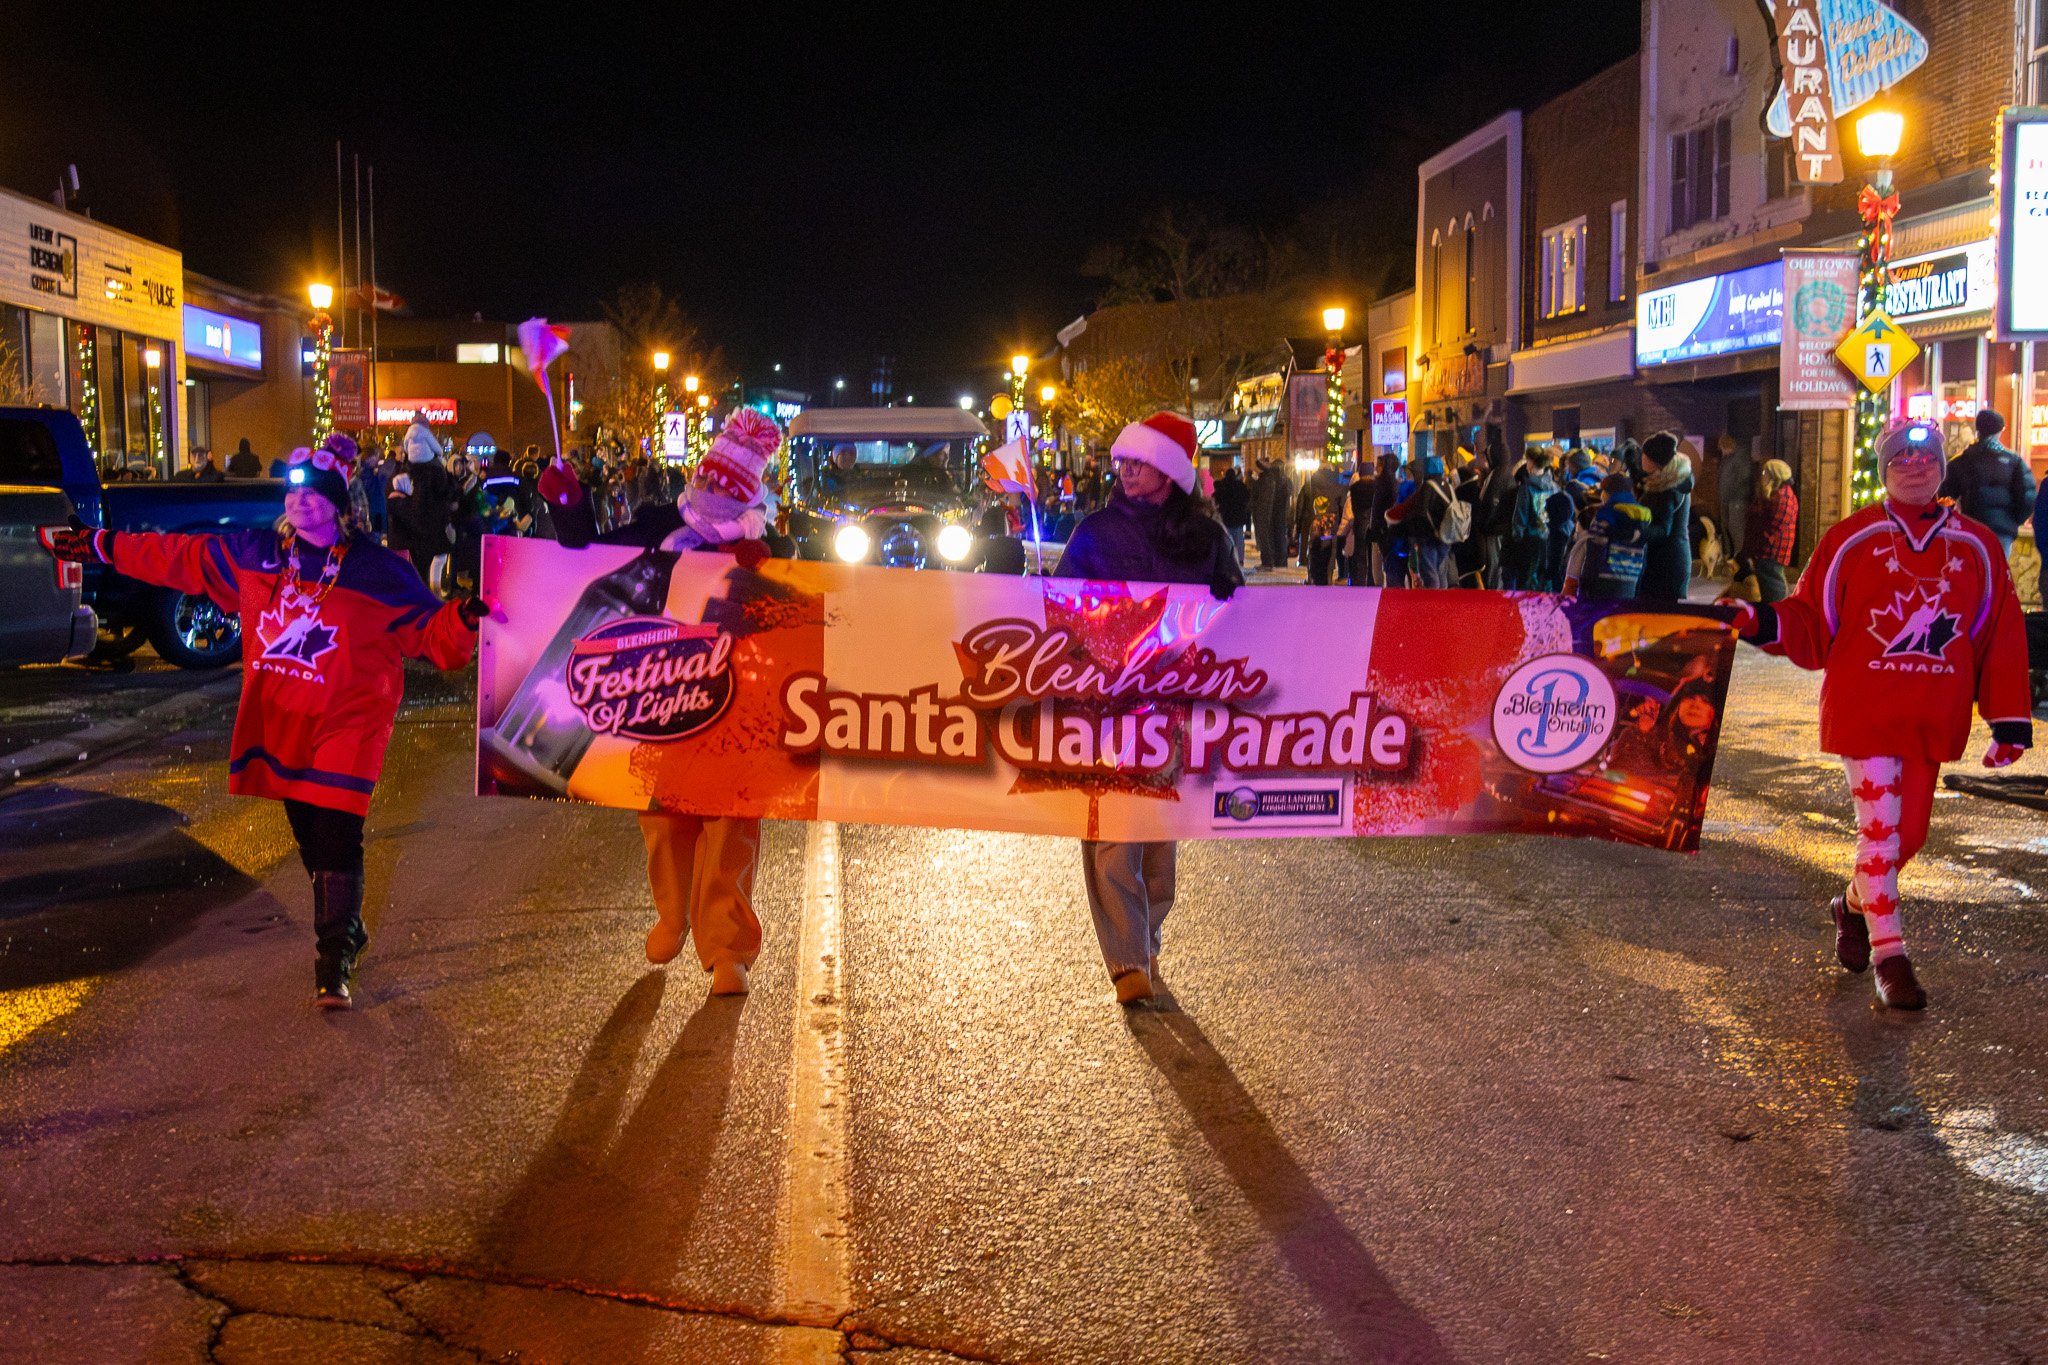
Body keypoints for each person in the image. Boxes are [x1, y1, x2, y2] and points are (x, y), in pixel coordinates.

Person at [41, 440, 488, 1009]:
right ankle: (344, 921)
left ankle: (333, 957)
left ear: (340, 504)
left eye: (314, 494)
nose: (300, 502)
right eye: (293, 493)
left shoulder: (377, 570)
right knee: (309, 834)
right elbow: (175, 555)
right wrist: (98, 543)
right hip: (283, 719)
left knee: (335, 831)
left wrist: (466, 617)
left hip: (350, 722)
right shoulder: (256, 556)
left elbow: (433, 638)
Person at [1727, 422, 2031, 1009]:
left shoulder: (1976, 546)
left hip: (1930, 714)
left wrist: (2009, 719)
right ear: (1884, 469)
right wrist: (1758, 620)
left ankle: (1851, 905)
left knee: (1908, 836)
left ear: (1943, 467)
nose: (1915, 465)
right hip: (1864, 711)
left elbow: (1999, 633)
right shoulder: (1851, 538)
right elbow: (1811, 619)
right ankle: (1890, 956)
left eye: (1926, 456)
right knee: (1880, 835)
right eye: (1902, 456)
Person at [556, 409, 786, 997]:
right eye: (706, 481)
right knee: (661, 816)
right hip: (657, 691)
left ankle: (727, 948)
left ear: (746, 499)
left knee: (731, 823)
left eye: (724, 489)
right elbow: (586, 552)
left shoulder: (770, 543)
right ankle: (672, 913)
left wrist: (768, 577)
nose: (709, 493)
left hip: (735, 707)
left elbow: (804, 609)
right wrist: (568, 503)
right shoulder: (659, 522)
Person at [1055, 411, 1240, 1004]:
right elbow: (1059, 608)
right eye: (1123, 463)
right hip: (1107, 708)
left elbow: (1240, 614)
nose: (1125, 471)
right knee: (1112, 831)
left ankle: (1148, 938)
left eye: (1138, 462)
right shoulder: (1095, 532)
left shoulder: (1208, 539)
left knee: (1161, 836)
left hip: (1178, 708)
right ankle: (1127, 960)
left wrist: (1219, 615)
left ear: (1168, 471)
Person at [1938, 409, 2036, 554]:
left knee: (1975, 572)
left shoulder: (1963, 461)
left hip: (1972, 529)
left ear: (1978, 430)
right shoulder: (2013, 461)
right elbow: (2028, 496)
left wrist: (1952, 520)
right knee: (1998, 572)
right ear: (2000, 430)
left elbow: (1944, 494)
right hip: (2002, 532)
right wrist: (2013, 521)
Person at [386, 421, 458, 584]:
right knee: (432, 571)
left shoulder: (403, 473)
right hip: (433, 532)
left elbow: (392, 502)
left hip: (411, 535)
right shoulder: (437, 473)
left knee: (417, 575)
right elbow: (448, 498)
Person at [1561, 473, 1650, 600]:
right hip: (1629, 583)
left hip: (1601, 583)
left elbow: (1595, 553)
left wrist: (1586, 586)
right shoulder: (1642, 520)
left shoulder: (1605, 517)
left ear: (1608, 493)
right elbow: (1643, 559)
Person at [1384, 452, 1463, 587]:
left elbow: (1421, 511)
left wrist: (1415, 529)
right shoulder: (1447, 485)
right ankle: (1441, 601)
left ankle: (1433, 604)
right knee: (1441, 571)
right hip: (1445, 535)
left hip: (1428, 537)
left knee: (1430, 572)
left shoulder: (1428, 486)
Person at [1637, 432, 1695, 600]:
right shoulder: (1670, 482)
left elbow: (1663, 529)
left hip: (1666, 565)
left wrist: (1635, 531)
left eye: (1645, 455)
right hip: (1671, 560)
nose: (1642, 458)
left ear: (1655, 461)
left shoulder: (1667, 489)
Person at [1742, 458, 1798, 604]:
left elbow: (1774, 526)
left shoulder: (1781, 496)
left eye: (1766, 472)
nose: (1763, 475)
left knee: (1773, 585)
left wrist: (1761, 544)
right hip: (1768, 550)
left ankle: (1776, 613)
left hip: (1771, 551)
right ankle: (1773, 611)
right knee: (1769, 583)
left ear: (1775, 475)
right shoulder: (1775, 493)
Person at [1501, 446, 1557, 590]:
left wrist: (1517, 536)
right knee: (1544, 582)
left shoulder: (1526, 487)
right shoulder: (1554, 487)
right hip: (1549, 540)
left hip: (1529, 542)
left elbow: (1520, 516)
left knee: (1526, 584)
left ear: (1530, 463)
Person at [1294, 458, 1345, 585]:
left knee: (1314, 548)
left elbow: (1300, 506)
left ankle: (1312, 575)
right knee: (1330, 547)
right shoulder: (1337, 486)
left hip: (1313, 522)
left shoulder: (1309, 485)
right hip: (1331, 522)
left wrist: (1298, 524)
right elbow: (1342, 505)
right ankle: (1328, 575)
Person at [1251, 454, 1293, 570]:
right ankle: (1280, 561)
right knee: (1278, 537)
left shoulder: (1271, 479)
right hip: (1278, 513)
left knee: (1273, 537)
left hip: (1274, 512)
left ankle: (1275, 560)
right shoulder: (1284, 480)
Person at [1716, 435, 1753, 562]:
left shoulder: (1741, 457)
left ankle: (1740, 557)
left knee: (1736, 528)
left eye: (1722, 448)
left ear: (1727, 445)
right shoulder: (1727, 458)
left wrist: (1731, 493)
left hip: (1737, 499)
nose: (1721, 451)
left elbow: (1743, 478)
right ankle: (1729, 554)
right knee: (1726, 526)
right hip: (1726, 498)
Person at [1211, 457, 1252, 564]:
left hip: (1225, 517)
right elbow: (1247, 499)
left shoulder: (1222, 487)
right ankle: (1240, 559)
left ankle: (1227, 560)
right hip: (1238, 518)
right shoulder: (1240, 487)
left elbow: (1215, 499)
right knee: (1238, 540)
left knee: (1226, 540)